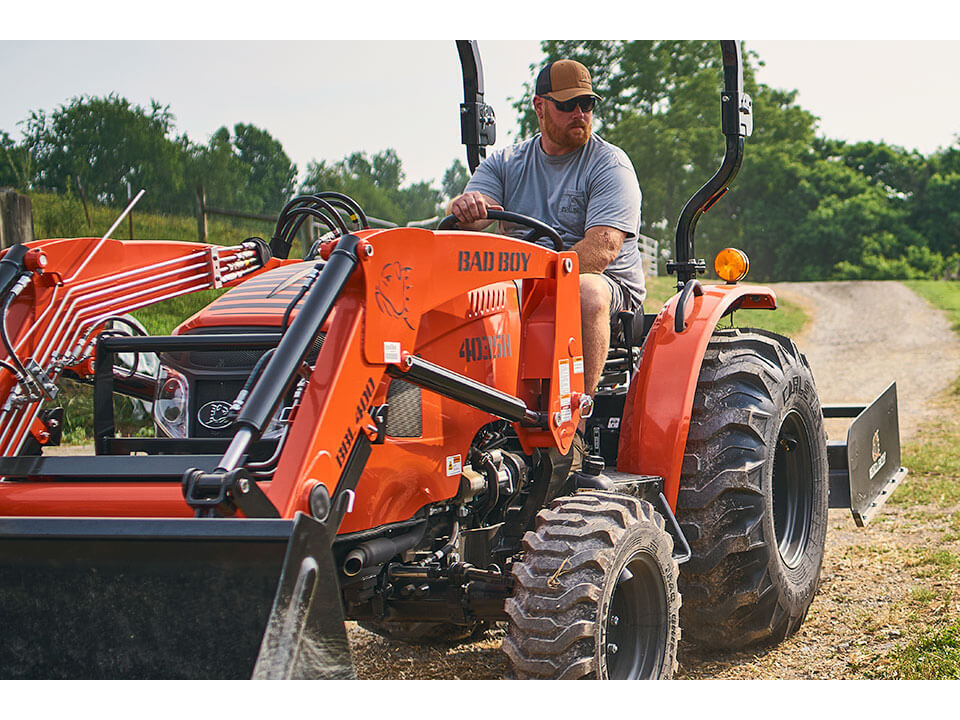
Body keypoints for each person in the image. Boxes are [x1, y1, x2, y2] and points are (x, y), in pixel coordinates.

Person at [448, 58, 644, 398]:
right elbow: (474, 216)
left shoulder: (609, 164)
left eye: (587, 104)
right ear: (540, 106)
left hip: (609, 294)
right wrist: (466, 208)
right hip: (525, 286)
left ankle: (576, 421)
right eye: (568, 105)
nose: (580, 114)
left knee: (587, 292)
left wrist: (531, 286)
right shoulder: (505, 163)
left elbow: (601, 250)